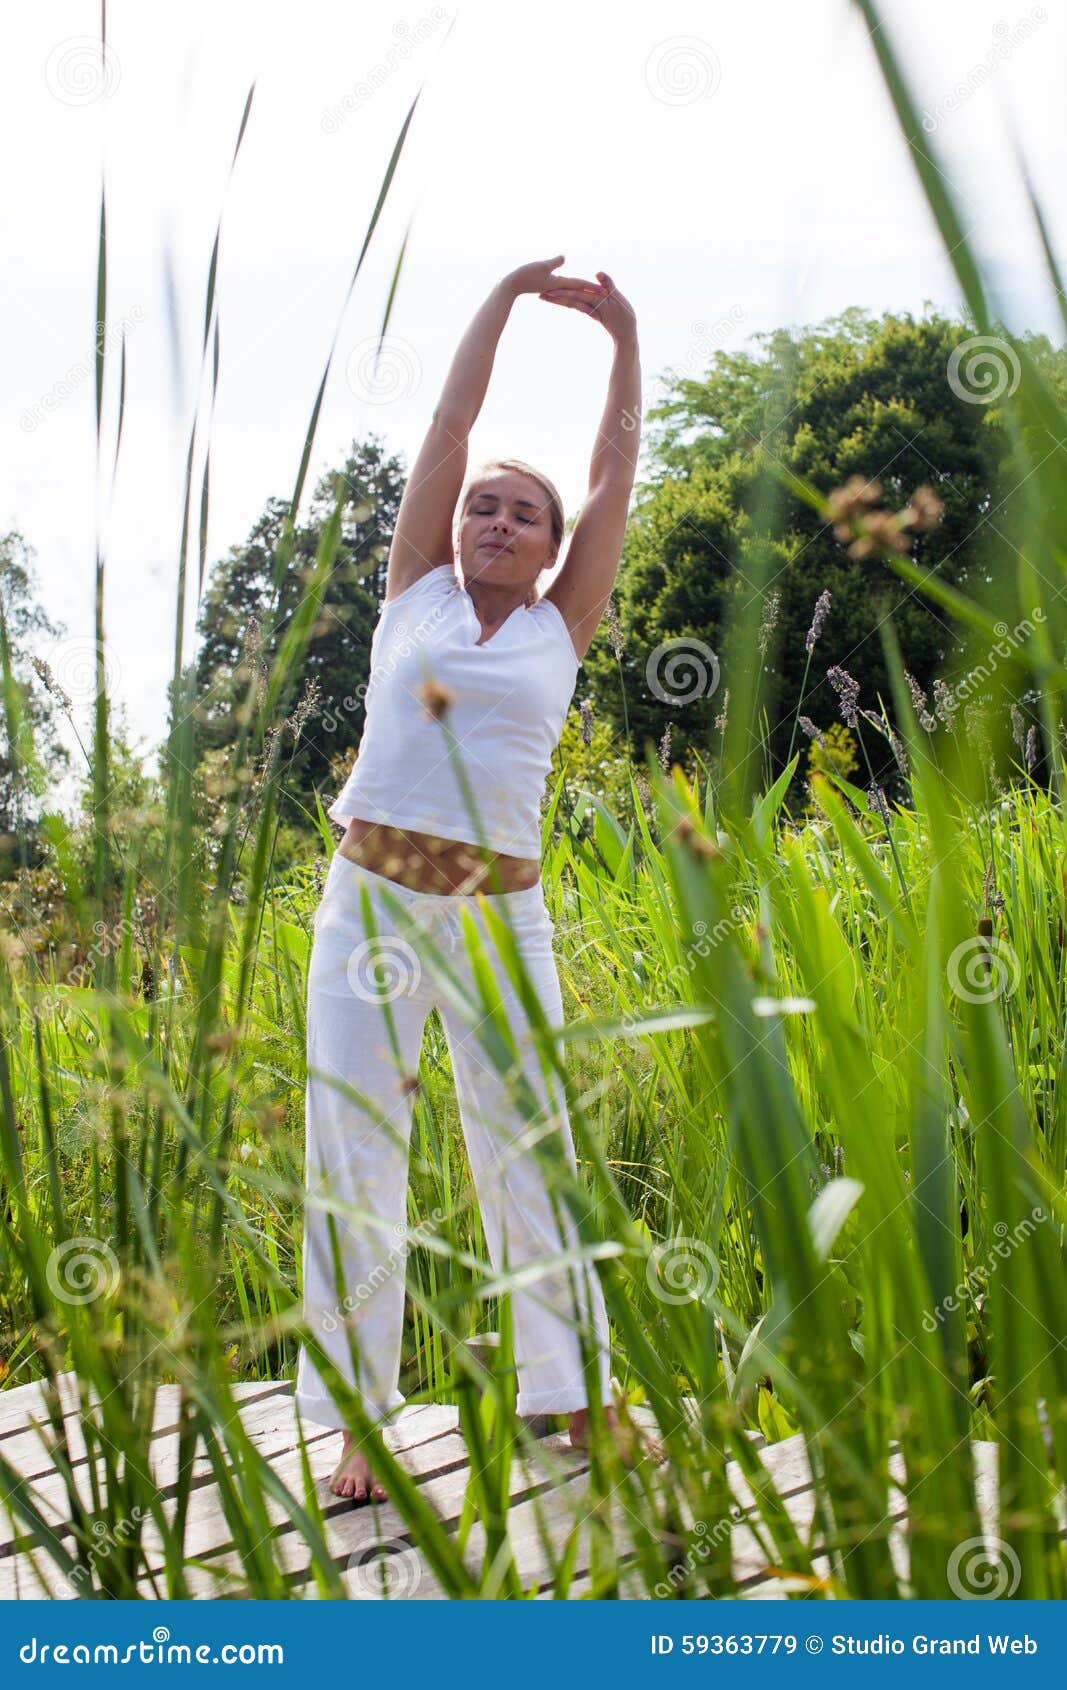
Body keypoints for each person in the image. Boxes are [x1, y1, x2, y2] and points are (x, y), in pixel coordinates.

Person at [296, 255, 662, 1503]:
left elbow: (615, 471)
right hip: (369, 907)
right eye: (479, 508)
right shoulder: (414, 601)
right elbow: (448, 427)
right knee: (355, 1146)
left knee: (529, 1148)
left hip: (502, 918)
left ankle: (568, 1400)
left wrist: (621, 340)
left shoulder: (562, 624)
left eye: (520, 513)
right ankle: (357, 1421)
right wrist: (500, 303)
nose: (493, 521)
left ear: (555, 548)